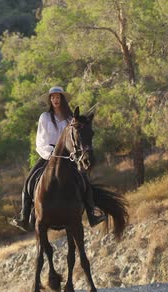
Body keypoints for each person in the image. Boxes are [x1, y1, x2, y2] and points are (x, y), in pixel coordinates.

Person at [10, 86, 106, 232]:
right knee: (29, 180)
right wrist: (51, 154)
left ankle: (92, 214)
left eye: (58, 97)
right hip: (48, 154)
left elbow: (75, 138)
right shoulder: (45, 117)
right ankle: (24, 216)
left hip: (68, 156)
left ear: (62, 99)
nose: (55, 99)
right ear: (50, 100)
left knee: (84, 180)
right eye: (53, 97)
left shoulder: (70, 119)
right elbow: (40, 141)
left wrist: (75, 152)